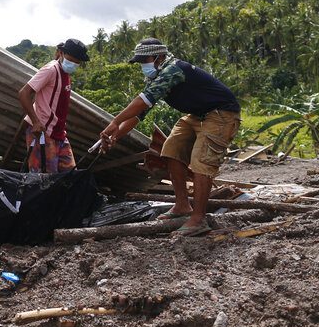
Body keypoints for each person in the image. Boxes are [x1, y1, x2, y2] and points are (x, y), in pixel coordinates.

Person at [100, 38, 241, 237]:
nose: (143, 65)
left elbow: (143, 101)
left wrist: (114, 121)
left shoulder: (173, 69)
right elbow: (139, 114)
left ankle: (198, 219)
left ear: (158, 57)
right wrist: (115, 135)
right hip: (197, 115)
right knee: (171, 150)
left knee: (202, 161)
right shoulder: (155, 78)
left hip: (220, 114)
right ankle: (182, 205)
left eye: (145, 60)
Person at [17, 38, 89, 173]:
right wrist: (36, 122)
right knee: (43, 179)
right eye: (71, 59)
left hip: (59, 133)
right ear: (61, 54)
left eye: (76, 62)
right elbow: (24, 93)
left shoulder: (66, 73)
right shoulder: (51, 70)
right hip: (43, 132)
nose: (73, 64)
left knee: (70, 176)